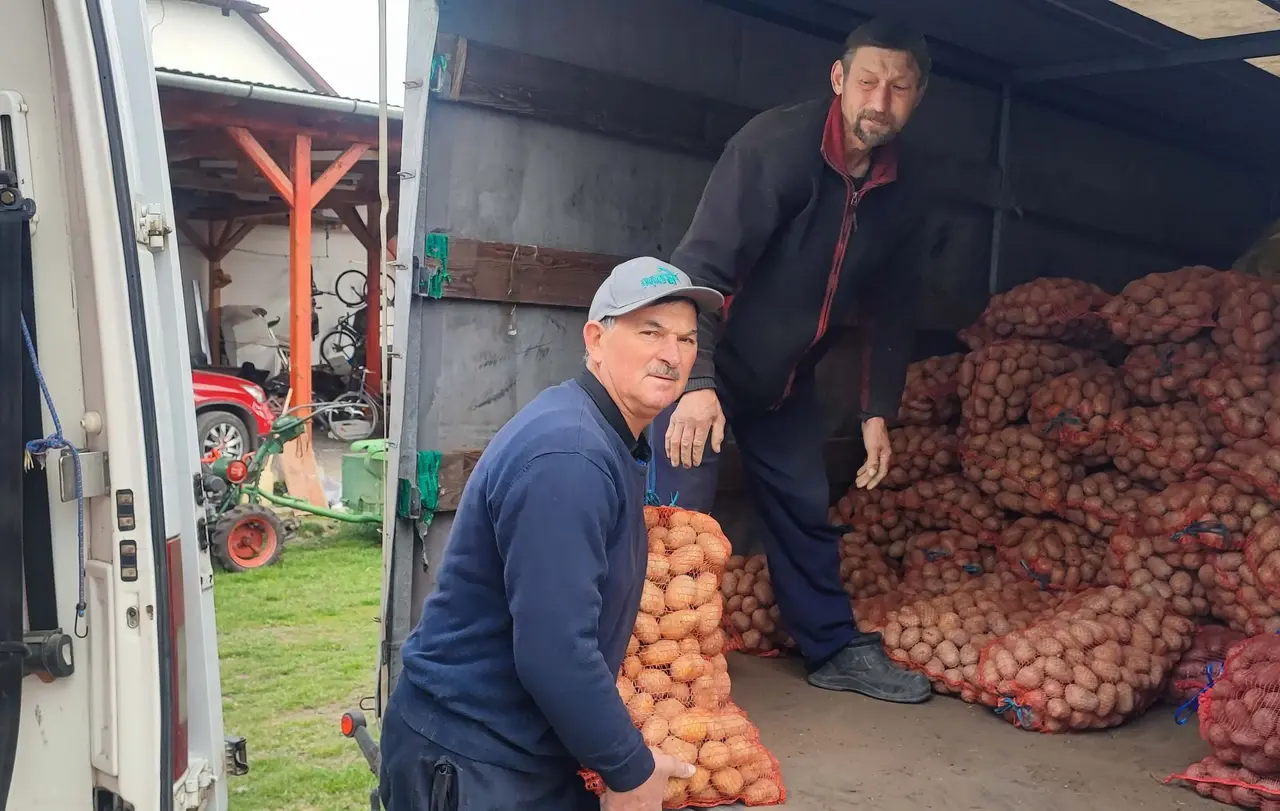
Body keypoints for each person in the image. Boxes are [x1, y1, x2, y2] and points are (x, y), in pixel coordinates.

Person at [651, 18, 939, 703]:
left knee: (806, 506)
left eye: (899, 87)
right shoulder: (774, 149)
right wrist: (694, 381)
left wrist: (877, 409)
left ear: (917, 96)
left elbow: (894, 304)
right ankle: (661, 663)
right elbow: (698, 269)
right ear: (839, 79)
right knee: (681, 520)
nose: (880, 99)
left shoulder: (907, 186)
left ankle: (832, 647)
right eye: (868, 80)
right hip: (710, 364)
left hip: (785, 379)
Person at [379, 257, 724, 810]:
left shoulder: (603, 432)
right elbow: (555, 651)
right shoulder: (571, 455)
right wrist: (629, 770)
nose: (672, 354)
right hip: (472, 760)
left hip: (517, 750)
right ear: (595, 339)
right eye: (650, 332)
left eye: (686, 338)